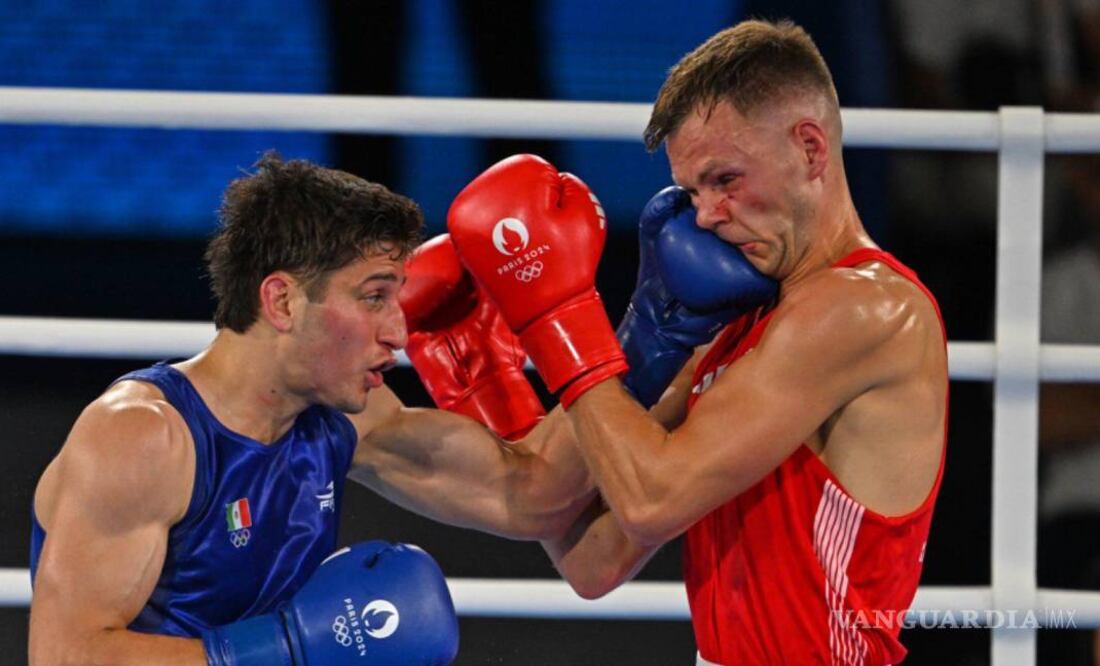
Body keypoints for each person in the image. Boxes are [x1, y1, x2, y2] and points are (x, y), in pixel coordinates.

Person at [449, 20, 949, 665]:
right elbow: (591, 560)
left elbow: (652, 501)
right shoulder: (740, 321)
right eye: (692, 191)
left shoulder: (861, 308)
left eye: (725, 179)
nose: (706, 214)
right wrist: (495, 381)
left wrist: (557, 317)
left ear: (810, 149)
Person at [28, 153, 594, 665]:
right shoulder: (143, 437)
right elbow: (64, 655)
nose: (399, 331)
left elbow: (531, 497)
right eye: (374, 297)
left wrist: (651, 332)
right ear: (282, 300)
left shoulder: (346, 416)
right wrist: (284, 651)